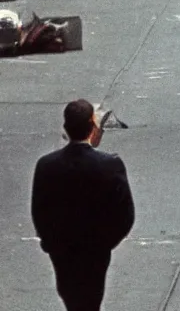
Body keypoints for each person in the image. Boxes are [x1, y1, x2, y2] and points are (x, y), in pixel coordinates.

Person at [31, 100, 135, 311]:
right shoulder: (109, 165)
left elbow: (39, 209)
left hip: (61, 248)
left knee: (70, 294)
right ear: (91, 126)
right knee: (91, 296)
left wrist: (49, 241)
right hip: (95, 248)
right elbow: (125, 213)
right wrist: (108, 242)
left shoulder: (47, 165)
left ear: (66, 127)